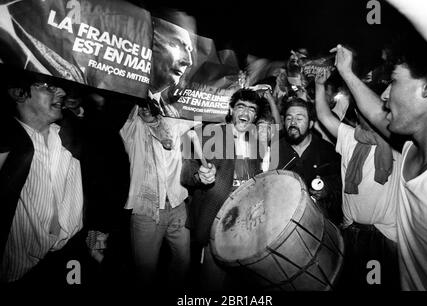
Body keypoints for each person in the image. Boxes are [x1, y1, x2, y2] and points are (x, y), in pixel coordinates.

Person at [332, 37, 427, 290]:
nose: (384, 95)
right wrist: (345, 72)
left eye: (393, 82)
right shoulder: (408, 150)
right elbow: (375, 113)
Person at [119, 14, 196, 290]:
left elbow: (211, 118)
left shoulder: (176, 111)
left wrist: (236, 88)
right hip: (145, 210)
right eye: (180, 46)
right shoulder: (129, 105)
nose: (188, 58)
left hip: (178, 207)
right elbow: (138, 109)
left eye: (190, 49)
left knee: (183, 267)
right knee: (145, 275)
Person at [314, 68, 399, 290]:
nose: (367, 112)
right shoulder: (350, 137)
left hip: (383, 237)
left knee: (376, 286)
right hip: (350, 233)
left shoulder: (398, 144)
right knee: (348, 285)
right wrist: (319, 85)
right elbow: (323, 115)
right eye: (362, 109)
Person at [0, 70, 88, 285]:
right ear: (17, 93)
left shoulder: (70, 137)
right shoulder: (8, 144)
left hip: (69, 258)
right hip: (19, 270)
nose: (61, 91)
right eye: (49, 87)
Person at [181, 88, 265, 290]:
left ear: (255, 116)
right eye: (241, 107)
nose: (245, 113)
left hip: (243, 225)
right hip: (215, 224)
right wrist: (199, 175)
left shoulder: (254, 142)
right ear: (231, 109)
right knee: (213, 281)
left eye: (252, 109)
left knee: (237, 282)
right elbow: (187, 172)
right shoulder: (213, 134)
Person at [270, 97, 343, 225]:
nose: (292, 123)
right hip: (283, 223)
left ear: (310, 124)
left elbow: (341, 184)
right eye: (288, 118)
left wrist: (327, 189)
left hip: (318, 224)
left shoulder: (327, 151)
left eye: (299, 118)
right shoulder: (274, 149)